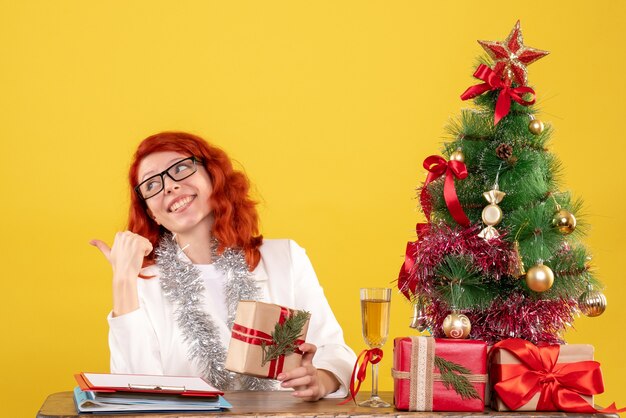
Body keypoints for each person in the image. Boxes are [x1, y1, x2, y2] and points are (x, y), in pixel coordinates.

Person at [91, 131, 356, 401]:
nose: (169, 186)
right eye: (151, 185)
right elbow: (136, 392)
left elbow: (334, 349)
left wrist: (320, 380)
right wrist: (123, 280)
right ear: (151, 213)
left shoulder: (284, 258)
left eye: (180, 168)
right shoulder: (142, 284)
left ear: (212, 176)